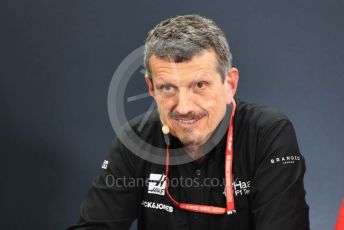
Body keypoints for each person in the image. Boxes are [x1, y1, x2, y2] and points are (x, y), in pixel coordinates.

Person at [68, 14, 309, 230]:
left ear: (230, 85)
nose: (184, 107)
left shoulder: (267, 133)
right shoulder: (137, 139)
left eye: (200, 85)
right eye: (168, 88)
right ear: (151, 89)